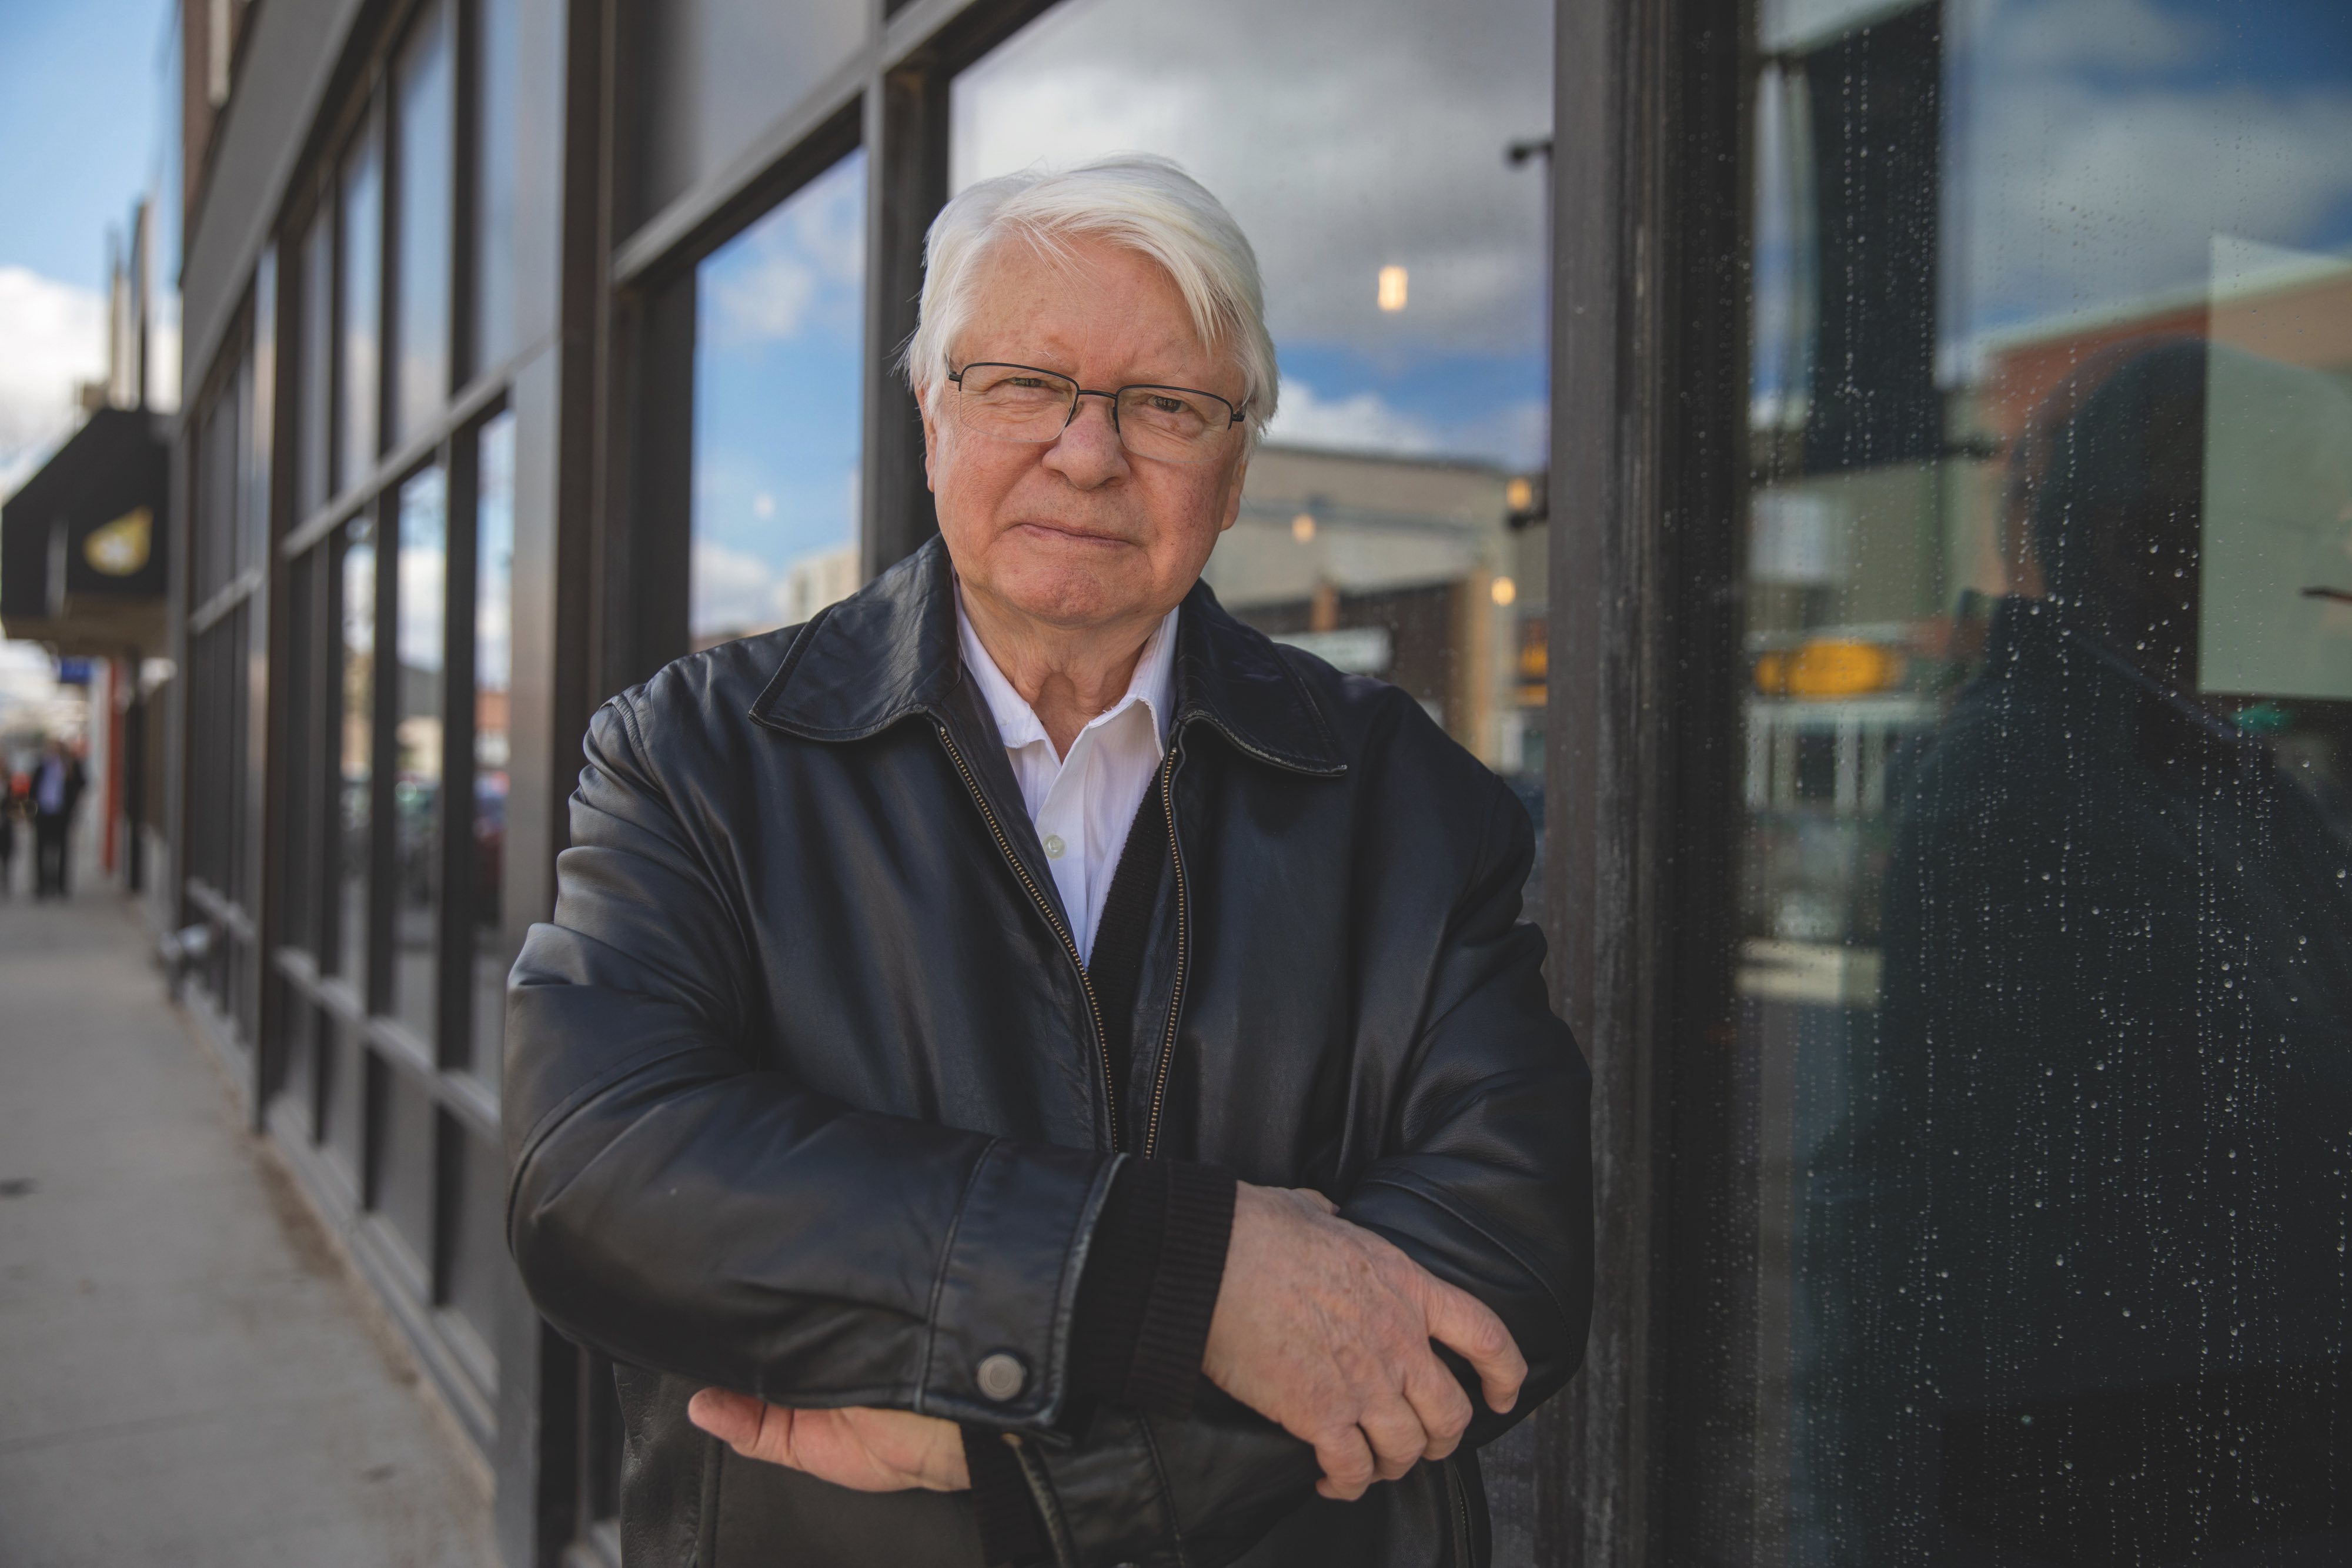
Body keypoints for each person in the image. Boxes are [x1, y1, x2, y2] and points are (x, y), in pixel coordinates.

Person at [505, 156, 1591, 1567]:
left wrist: (1005, 1444)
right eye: (1023, 384)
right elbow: (602, 1182)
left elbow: (1505, 1272)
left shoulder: (1405, 797)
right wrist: (1180, 1279)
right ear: (931, 414)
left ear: (1238, 461)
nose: (1088, 453)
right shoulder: (696, 758)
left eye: (1166, 406)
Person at [1806, 340, 2352, 1564]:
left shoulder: (2219, 779)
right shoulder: (2033, 795)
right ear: (2135, 546)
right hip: (2146, 1487)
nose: (2337, 563)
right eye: (2300, 522)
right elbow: (2076, 1208)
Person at [31, 739, 87, 900]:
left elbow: (82, 783)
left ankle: (61, 886)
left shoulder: (69, 767)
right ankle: (42, 886)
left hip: (62, 815)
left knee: (63, 850)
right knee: (41, 850)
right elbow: (33, 789)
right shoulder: (41, 767)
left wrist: (70, 773)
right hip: (43, 814)